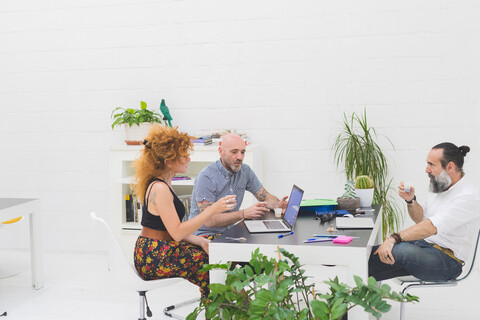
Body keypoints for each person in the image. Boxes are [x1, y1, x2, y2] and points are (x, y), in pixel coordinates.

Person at [132, 124, 236, 299]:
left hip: (160, 248)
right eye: (184, 156)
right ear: (169, 162)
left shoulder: (164, 182)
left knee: (217, 245)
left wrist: (199, 240)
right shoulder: (160, 188)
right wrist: (213, 209)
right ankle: (225, 309)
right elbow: (178, 232)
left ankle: (227, 306)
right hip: (155, 257)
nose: (188, 159)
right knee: (213, 262)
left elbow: (170, 228)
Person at [369, 142, 480, 281]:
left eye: (432, 165)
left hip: (448, 261)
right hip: (424, 247)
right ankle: (354, 283)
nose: (427, 169)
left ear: (450, 166)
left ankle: (353, 278)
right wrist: (411, 201)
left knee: (398, 251)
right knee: (369, 254)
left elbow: (431, 227)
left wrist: (393, 238)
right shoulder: (441, 186)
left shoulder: (468, 196)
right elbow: (420, 218)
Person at [188, 133, 288, 237]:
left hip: (228, 232)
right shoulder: (206, 177)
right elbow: (209, 221)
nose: (240, 157)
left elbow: (265, 196)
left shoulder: (245, 171)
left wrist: (276, 205)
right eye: (234, 152)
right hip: (203, 236)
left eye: (242, 152)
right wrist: (243, 214)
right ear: (221, 151)